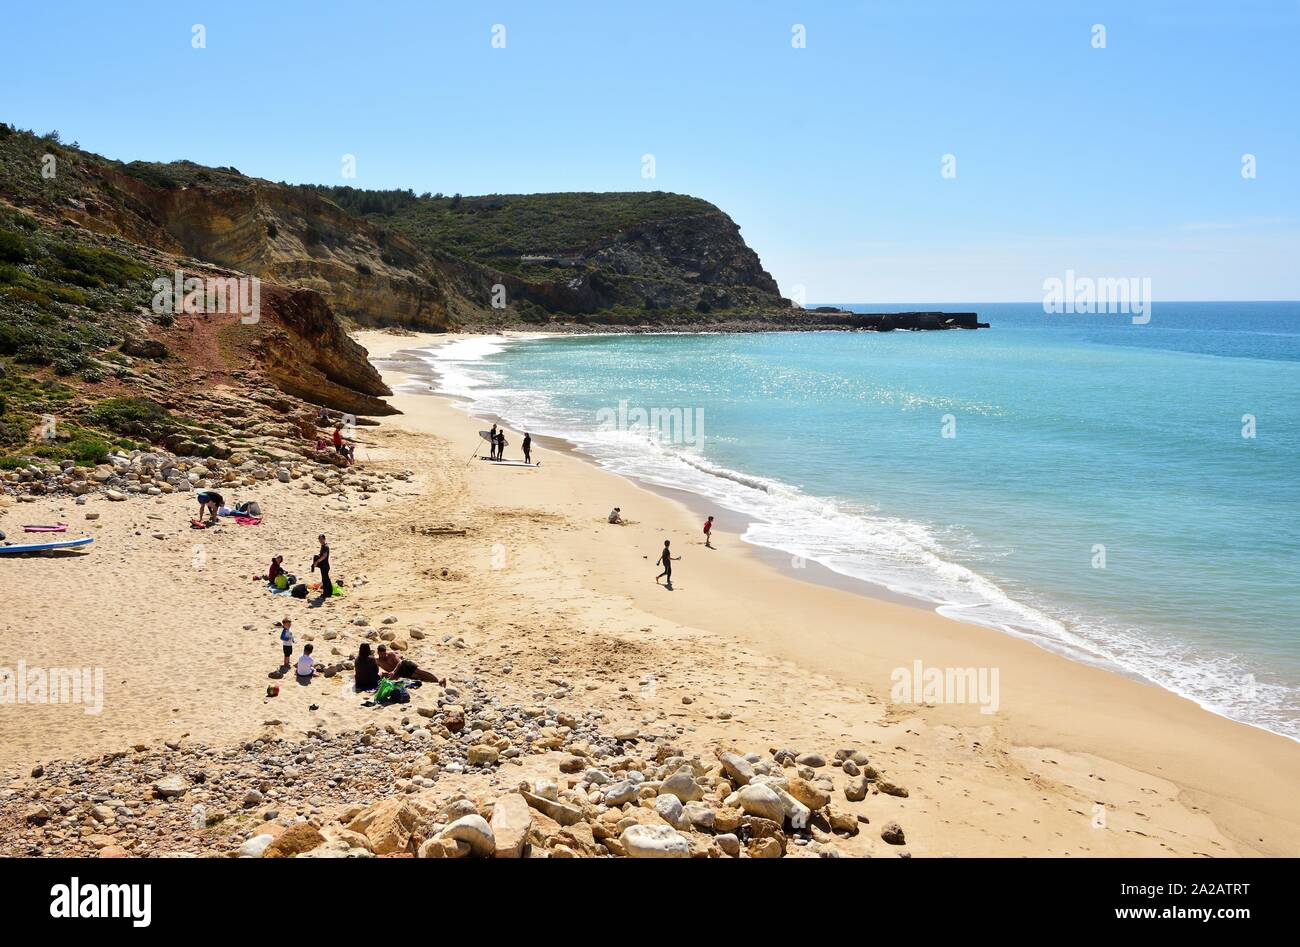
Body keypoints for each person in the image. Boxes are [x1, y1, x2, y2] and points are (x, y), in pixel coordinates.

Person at [376, 644, 445, 686]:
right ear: (378, 653)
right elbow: (379, 671)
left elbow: (400, 662)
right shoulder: (378, 661)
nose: (383, 655)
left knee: (421, 671)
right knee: (420, 677)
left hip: (405, 665)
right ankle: (436, 682)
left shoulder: (391, 654)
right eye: (381, 654)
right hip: (400, 673)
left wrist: (393, 671)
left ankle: (439, 680)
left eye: (384, 653)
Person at [312, 534, 332, 598]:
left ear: (324, 539)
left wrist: (317, 561)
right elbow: (321, 555)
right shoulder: (322, 546)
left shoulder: (326, 546)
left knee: (325, 580)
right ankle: (328, 593)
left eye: (321, 539)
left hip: (325, 566)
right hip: (323, 565)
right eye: (319, 539)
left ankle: (327, 594)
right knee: (325, 580)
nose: (320, 540)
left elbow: (324, 556)